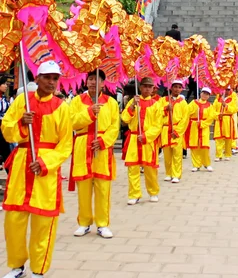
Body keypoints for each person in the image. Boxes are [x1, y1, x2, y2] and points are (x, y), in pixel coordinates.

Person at [1, 60, 73, 278]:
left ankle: (39, 269)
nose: (51, 82)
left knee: (44, 222)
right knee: (14, 220)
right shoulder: (22, 101)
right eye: (47, 77)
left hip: (45, 171)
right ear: (37, 79)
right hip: (22, 164)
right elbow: (6, 129)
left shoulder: (62, 107)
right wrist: (21, 122)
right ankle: (16, 265)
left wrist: (45, 162)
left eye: (55, 78)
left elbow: (65, 144)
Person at [69, 70, 120, 239]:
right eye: (90, 79)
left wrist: (104, 141)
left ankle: (102, 223)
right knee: (83, 188)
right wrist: (90, 112)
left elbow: (114, 126)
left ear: (103, 83)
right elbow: (72, 122)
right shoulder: (77, 101)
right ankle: (84, 222)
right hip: (83, 145)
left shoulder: (111, 103)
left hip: (102, 149)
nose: (93, 82)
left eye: (96, 79)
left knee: (102, 188)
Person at [121, 77, 162, 205]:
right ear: (140, 88)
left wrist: (146, 136)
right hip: (133, 138)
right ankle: (134, 194)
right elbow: (125, 119)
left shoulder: (156, 104)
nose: (147, 89)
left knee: (150, 169)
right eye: (145, 86)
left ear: (153, 89)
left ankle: (153, 192)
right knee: (133, 169)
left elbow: (157, 125)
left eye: (150, 87)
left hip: (148, 141)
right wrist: (132, 106)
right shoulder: (133, 101)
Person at [160, 80, 189, 184]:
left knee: (177, 153)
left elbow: (185, 119)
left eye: (179, 87)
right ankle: (168, 173)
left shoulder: (183, 102)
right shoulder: (163, 100)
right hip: (165, 129)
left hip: (176, 130)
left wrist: (177, 131)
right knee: (167, 154)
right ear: (171, 88)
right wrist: (165, 108)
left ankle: (176, 174)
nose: (177, 89)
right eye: (175, 87)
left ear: (182, 89)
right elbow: (157, 112)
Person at [186, 87, 215, 172]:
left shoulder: (209, 106)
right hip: (194, 126)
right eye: (204, 93)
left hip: (204, 127)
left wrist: (202, 124)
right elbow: (187, 112)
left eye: (207, 94)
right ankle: (196, 164)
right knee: (194, 146)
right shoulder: (194, 103)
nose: (205, 95)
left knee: (205, 146)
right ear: (200, 93)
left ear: (209, 96)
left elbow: (211, 117)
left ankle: (207, 164)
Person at [213, 87, 238, 161]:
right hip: (219, 120)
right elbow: (213, 109)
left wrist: (226, 106)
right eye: (225, 89)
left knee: (228, 138)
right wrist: (217, 115)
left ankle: (227, 154)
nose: (226, 91)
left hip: (228, 120)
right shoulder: (218, 98)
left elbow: (235, 109)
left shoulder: (232, 98)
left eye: (228, 90)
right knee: (218, 138)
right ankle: (218, 155)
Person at [0, 76, 12, 171]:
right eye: (3, 84)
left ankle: (11, 177)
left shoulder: (4, 98)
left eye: (6, 84)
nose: (6, 86)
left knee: (7, 153)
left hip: (3, 127)